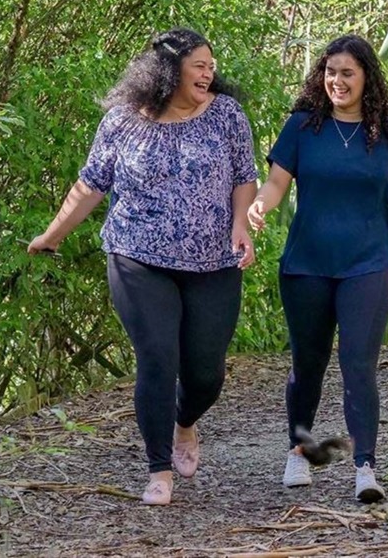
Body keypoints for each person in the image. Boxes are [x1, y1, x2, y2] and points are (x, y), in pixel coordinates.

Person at [28, 28, 258, 506]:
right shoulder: (122, 122)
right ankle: (158, 469)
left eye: (211, 64)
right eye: (198, 64)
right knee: (157, 357)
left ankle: (185, 425)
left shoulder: (227, 116)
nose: (208, 71)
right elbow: (90, 186)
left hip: (214, 260)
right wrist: (52, 236)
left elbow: (244, 177)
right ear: (168, 71)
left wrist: (242, 225)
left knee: (205, 374)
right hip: (137, 256)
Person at [248, 34, 388, 503]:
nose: (337, 81)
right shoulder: (301, 128)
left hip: (368, 265)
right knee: (306, 366)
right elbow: (276, 181)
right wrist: (259, 205)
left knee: (359, 366)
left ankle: (364, 468)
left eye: (347, 73)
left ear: (366, 78)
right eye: (330, 72)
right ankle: (301, 451)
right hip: (306, 267)